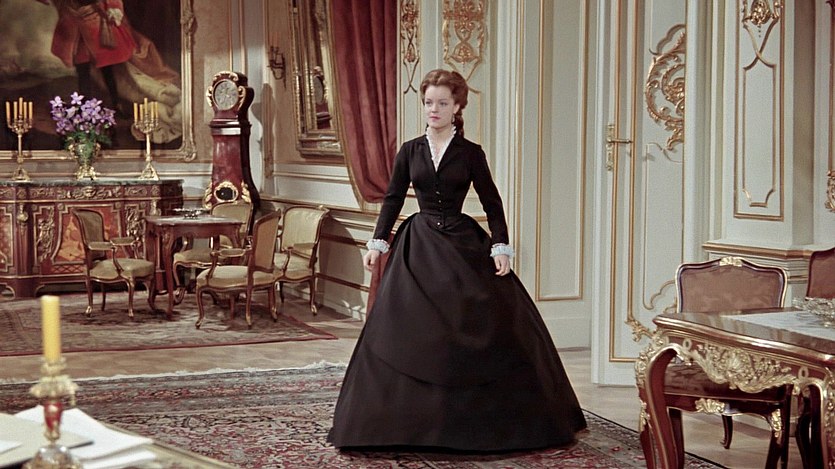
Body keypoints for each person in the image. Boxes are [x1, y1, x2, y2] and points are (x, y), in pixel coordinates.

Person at [328, 69, 587, 452]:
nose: (433, 109)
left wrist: (500, 246)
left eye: (442, 103)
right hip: (418, 245)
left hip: (462, 244)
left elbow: (492, 202)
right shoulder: (410, 150)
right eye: (428, 102)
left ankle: (478, 424)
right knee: (409, 328)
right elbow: (394, 198)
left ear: (457, 107)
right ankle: (404, 423)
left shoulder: (470, 153)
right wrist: (377, 243)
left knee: (483, 321)